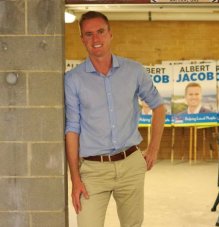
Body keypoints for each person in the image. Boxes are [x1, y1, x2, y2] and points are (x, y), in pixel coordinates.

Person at [64, 11, 165, 227]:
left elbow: (159, 107)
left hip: (130, 165)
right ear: (82, 39)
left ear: (110, 34)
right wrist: (75, 179)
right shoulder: (73, 80)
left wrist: (154, 149)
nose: (96, 39)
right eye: (89, 34)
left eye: (100, 32)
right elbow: (72, 129)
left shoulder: (134, 71)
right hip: (93, 171)